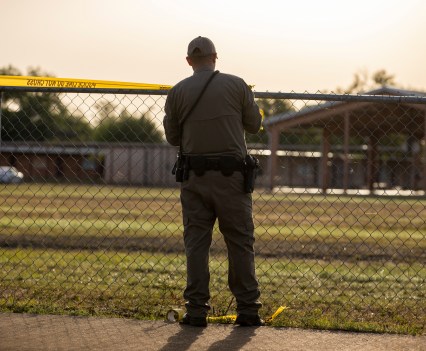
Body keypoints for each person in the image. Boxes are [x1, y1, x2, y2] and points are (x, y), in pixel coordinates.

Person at [163, 36, 263, 327]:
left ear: (188, 61)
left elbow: (172, 138)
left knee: (196, 244)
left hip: (194, 178)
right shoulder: (237, 84)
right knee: (239, 242)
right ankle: (247, 310)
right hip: (232, 179)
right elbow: (254, 125)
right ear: (215, 57)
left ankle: (196, 311)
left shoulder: (177, 91)